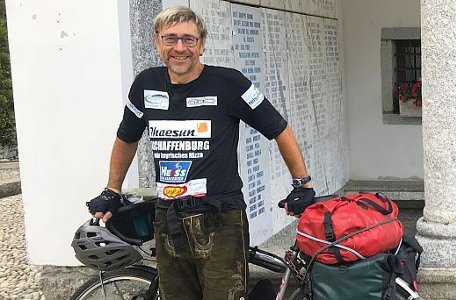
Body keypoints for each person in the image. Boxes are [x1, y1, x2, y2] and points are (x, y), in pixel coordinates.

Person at [85, 6, 315, 299]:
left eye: (188, 39)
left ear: (202, 44)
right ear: (157, 41)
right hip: (168, 217)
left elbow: (280, 129)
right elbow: (126, 137)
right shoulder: (146, 85)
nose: (179, 48)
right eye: (170, 39)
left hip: (220, 218)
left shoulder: (230, 83)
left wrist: (302, 184)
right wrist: (111, 189)